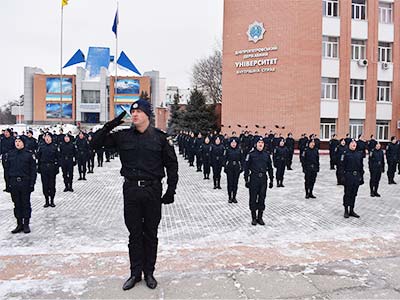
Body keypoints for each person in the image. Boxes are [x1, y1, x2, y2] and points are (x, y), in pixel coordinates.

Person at [91, 98, 178, 291]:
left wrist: (171, 190)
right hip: (130, 191)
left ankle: (149, 273)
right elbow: (94, 144)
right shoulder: (123, 137)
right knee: (134, 234)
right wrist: (112, 124)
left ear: (147, 114)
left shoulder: (160, 138)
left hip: (152, 191)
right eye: (132, 112)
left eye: (138, 111)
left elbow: (172, 165)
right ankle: (135, 273)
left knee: (151, 234)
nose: (134, 114)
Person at [3, 136, 37, 234]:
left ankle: (26, 224)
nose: (17, 143)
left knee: (25, 203)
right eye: (16, 141)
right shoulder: (10, 154)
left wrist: (32, 184)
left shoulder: (29, 155)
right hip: (14, 182)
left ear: (23, 143)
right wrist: (7, 184)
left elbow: (33, 171)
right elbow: (7, 170)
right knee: (17, 204)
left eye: (19, 141)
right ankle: (19, 223)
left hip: (25, 182)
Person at [244, 137, 273, 225]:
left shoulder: (266, 154)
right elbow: (246, 168)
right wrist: (246, 179)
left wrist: (272, 179)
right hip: (254, 178)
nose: (261, 144)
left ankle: (260, 217)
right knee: (253, 198)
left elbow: (270, 168)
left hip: (263, 179)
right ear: (256, 144)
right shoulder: (251, 154)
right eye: (259, 142)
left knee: (262, 198)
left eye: (262, 142)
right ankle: (253, 217)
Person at [341, 140, 364, 218]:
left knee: (354, 194)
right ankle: (346, 210)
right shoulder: (345, 153)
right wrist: (342, 177)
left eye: (355, 143)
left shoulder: (359, 154)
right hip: (348, 176)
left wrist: (361, 177)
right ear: (349, 144)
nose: (354, 144)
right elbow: (341, 166)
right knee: (347, 193)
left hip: (356, 176)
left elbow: (361, 166)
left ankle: (352, 210)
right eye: (352, 143)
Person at [37, 133, 60, 208]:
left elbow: (58, 158)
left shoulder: (54, 146)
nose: (47, 138)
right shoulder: (41, 147)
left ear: (51, 138)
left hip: (52, 167)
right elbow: (38, 158)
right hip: (44, 167)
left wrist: (57, 168)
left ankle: (52, 200)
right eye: (46, 137)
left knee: (52, 184)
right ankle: (46, 200)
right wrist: (39, 168)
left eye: (48, 137)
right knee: (45, 185)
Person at [224, 138, 243, 203]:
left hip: (237, 167)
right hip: (230, 167)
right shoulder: (227, 150)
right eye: (232, 143)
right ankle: (229, 197)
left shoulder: (239, 150)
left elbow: (242, 159)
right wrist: (225, 167)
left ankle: (234, 197)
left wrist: (242, 167)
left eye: (235, 143)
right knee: (230, 183)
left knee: (235, 183)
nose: (233, 144)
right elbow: (224, 159)